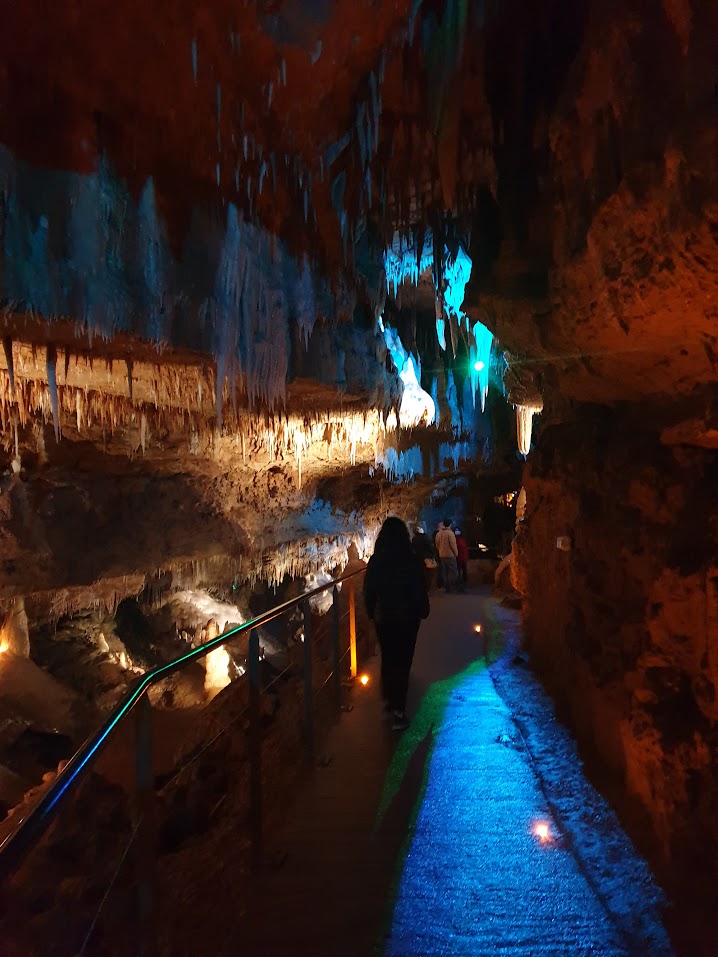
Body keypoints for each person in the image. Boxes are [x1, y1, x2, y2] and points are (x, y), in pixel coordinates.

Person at [364, 517, 430, 730]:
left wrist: (370, 611)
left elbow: (369, 589)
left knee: (389, 657)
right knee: (403, 661)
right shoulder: (412, 559)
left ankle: (388, 701)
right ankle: (399, 712)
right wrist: (423, 609)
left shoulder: (376, 560)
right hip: (408, 618)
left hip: (384, 618)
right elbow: (420, 587)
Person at [435, 518, 459, 593]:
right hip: (450, 555)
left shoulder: (439, 533)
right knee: (453, 571)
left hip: (442, 555)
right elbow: (453, 545)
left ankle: (445, 587)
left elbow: (437, 544)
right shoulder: (450, 533)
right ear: (450, 524)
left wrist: (440, 550)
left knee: (444, 572)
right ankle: (452, 587)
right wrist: (456, 553)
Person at [412, 525, 436, 591]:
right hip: (427, 557)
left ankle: (421, 587)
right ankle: (428, 587)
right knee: (428, 573)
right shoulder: (426, 537)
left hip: (418, 558)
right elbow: (430, 547)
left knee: (421, 573)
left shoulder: (414, 539)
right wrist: (433, 555)